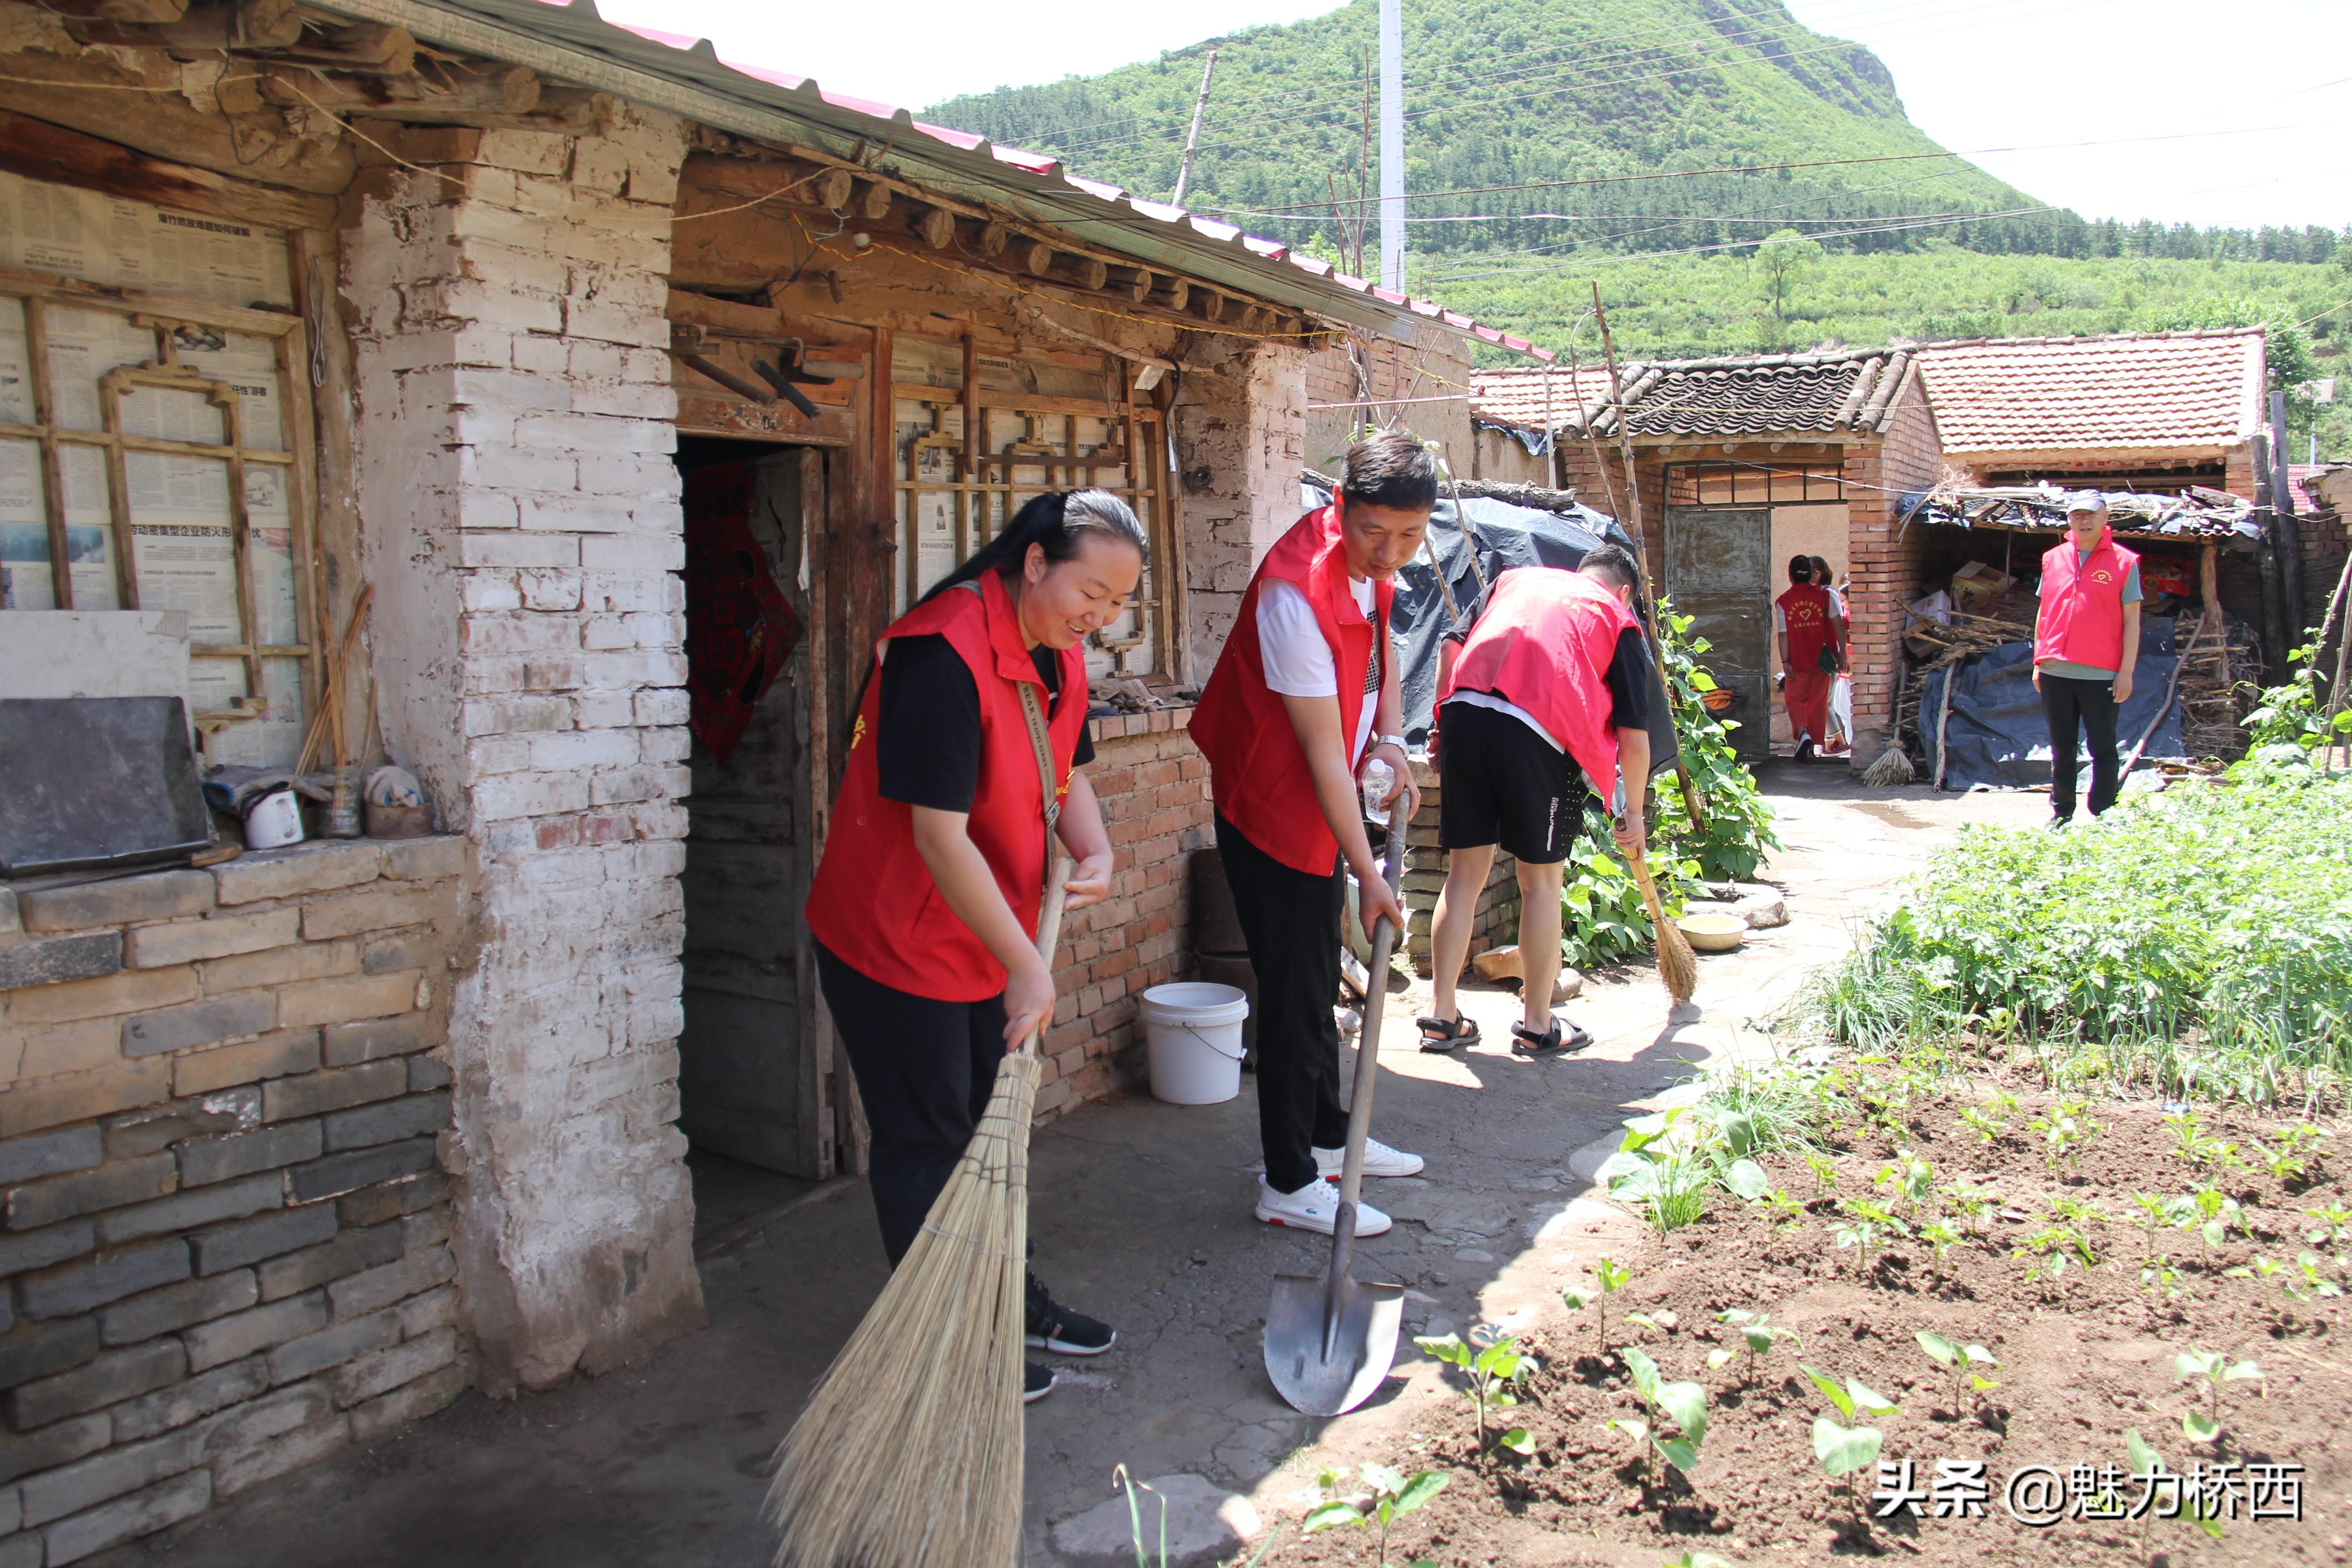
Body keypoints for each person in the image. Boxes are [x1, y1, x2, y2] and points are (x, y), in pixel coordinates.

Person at [804, 490, 1139, 1405]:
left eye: (1119, 604)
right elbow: (938, 838)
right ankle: (946, 1343)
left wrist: (1093, 843)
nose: (1101, 617)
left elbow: (1060, 767)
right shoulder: (938, 653)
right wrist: (1030, 966)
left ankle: (1008, 1303)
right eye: (1091, 592)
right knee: (930, 1141)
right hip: (896, 941)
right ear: (1035, 562)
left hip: (985, 934)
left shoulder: (1056, 655)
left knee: (996, 1136)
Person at [1190, 432, 1431, 1238]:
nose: (1390, 552)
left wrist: (1393, 742)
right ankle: (1288, 1181)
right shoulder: (1293, 595)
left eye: (1409, 535)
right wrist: (1370, 874)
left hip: (1316, 807)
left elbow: (1382, 661)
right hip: (1271, 809)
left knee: (1316, 984)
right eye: (1374, 532)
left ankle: (1331, 1140)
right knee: (1293, 1000)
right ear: (1339, 509)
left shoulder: (1375, 574)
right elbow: (1324, 759)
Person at [1417, 545, 1654, 1058]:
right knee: (1541, 882)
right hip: (1535, 728)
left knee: (1464, 876)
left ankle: (1441, 1017)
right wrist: (1633, 815)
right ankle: (1538, 1024)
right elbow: (1636, 739)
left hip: (1463, 711)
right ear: (1625, 592)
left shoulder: (1515, 581)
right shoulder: (1616, 617)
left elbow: (1449, 648)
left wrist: (1441, 724)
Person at [2032, 491, 2141, 827]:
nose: (2085, 520)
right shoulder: (2053, 558)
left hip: (2101, 673)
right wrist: (2037, 661)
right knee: (2062, 748)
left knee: (2103, 749)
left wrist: (2126, 672)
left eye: (2092, 514)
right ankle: (2062, 812)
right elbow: (2043, 611)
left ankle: (2104, 812)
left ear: (2105, 518)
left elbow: (2132, 621)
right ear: (2069, 520)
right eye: (2077, 515)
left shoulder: (2125, 562)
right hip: (2055, 669)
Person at [1774, 554, 1844, 760]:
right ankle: (1815, 744)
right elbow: (1838, 624)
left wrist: (1785, 662)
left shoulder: (1784, 602)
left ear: (1790, 576)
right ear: (1812, 574)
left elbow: (1784, 635)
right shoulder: (1826, 596)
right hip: (1824, 660)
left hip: (1798, 660)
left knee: (1794, 699)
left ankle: (1803, 733)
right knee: (1818, 702)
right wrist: (1843, 654)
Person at [1810, 555, 1853, 757]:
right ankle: (1831, 742)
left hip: (1827, 655)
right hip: (1812, 654)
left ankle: (1838, 741)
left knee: (1823, 701)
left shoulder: (1829, 594)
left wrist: (1843, 654)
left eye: (1814, 570)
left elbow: (1839, 626)